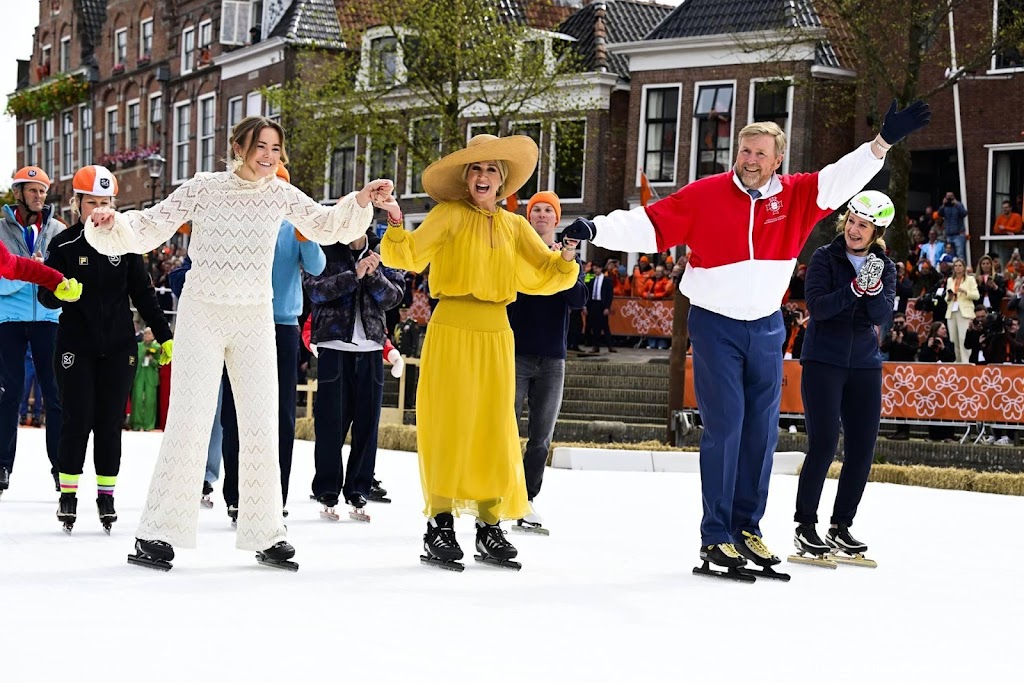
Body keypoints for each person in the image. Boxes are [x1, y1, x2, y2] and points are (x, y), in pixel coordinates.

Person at [563, 99, 931, 579]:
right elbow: (651, 225)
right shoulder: (706, 194)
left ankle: (746, 528)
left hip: (767, 326)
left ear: (778, 159)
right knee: (727, 426)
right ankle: (716, 536)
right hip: (716, 324)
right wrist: (595, 227)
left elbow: (841, 178)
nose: (750, 160)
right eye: (744, 151)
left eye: (760, 153)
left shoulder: (797, 196)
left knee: (762, 433)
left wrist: (881, 145)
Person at [84, 116, 389, 571]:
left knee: (262, 422)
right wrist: (112, 222)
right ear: (238, 146)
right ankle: (157, 533)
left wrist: (361, 199)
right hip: (202, 314)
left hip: (253, 318)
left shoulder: (281, 194)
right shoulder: (204, 187)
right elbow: (151, 225)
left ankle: (267, 532)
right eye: (260, 145)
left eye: (275, 148)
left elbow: (326, 225)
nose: (269, 155)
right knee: (190, 418)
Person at [378, 134, 580, 570]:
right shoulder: (448, 214)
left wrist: (565, 254)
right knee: (450, 424)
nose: (483, 175)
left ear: (503, 180)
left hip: (497, 331)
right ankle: (441, 524)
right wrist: (395, 219)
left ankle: (490, 525)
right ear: (466, 178)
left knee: (495, 427)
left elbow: (545, 274)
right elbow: (410, 255)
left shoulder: (515, 226)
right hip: (451, 326)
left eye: (491, 169)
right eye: (476, 169)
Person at [38, 165, 173, 533]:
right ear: (76, 204)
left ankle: (106, 496)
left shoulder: (126, 244)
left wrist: (165, 336)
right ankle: (68, 494)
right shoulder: (63, 244)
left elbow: (143, 295)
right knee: (76, 419)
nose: (99, 209)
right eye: (92, 202)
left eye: (106, 202)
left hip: (118, 346)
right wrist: (57, 291)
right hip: (75, 346)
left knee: (110, 423)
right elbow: (44, 294)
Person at [790, 191, 897, 568]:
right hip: (824, 360)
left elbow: (882, 315)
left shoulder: (885, 266)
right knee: (823, 443)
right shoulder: (824, 257)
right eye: (851, 220)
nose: (854, 229)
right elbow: (817, 307)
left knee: (863, 448)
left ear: (876, 231)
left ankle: (841, 525)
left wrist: (871, 293)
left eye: (862, 225)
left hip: (865, 364)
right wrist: (852, 290)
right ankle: (805, 524)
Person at [219, 164, 328, 522]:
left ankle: (274, 494)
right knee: (236, 411)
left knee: (281, 414)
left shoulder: (293, 228)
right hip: (242, 323)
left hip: (282, 327)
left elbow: (315, 266)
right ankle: (235, 494)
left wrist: (306, 235)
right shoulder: (240, 224)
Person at [306, 227, 404, 521]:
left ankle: (359, 487)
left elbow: (394, 297)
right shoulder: (324, 248)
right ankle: (326, 488)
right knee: (330, 423)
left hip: (372, 347)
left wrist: (373, 275)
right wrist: (354, 275)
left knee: (367, 423)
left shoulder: (385, 250)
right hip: (333, 345)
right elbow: (314, 289)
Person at [507, 191, 588, 535]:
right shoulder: (516, 254)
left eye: (547, 211)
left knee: (541, 436)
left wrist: (565, 262)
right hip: (516, 352)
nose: (541, 215)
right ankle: (499, 493)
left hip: (553, 356)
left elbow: (578, 299)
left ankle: (527, 498)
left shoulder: (568, 259)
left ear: (556, 220)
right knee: (505, 430)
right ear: (528, 217)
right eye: (535, 210)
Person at [0, 211, 81, 496]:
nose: (39, 196)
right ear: (18, 194)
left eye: (42, 190)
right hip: (8, 319)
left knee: (56, 395)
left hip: (49, 319)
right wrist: (30, 275)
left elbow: (65, 276)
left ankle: (62, 468)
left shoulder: (59, 229)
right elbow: (4, 279)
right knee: (8, 394)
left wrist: (50, 277)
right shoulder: (1, 230)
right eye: (32, 190)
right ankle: (1, 465)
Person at [944, 257, 978, 363]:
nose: (958, 268)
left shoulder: (970, 279)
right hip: (952, 310)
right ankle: (957, 361)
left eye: (960, 266)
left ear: (964, 268)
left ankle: (966, 362)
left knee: (964, 337)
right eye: (956, 266)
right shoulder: (950, 280)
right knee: (954, 339)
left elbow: (976, 295)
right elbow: (946, 298)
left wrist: (964, 291)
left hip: (965, 311)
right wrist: (949, 296)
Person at [586, 262, 615, 353]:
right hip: (593, 304)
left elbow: (609, 295)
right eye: (594, 268)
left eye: (597, 268)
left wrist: (607, 307)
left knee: (605, 326)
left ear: (601, 268)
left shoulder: (607, 280)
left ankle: (610, 345)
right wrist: (587, 306)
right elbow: (589, 294)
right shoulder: (592, 280)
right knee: (595, 327)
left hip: (602, 305)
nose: (595, 270)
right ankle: (595, 346)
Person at [938, 191, 968, 260]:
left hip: (958, 234)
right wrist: (943, 204)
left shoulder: (958, 205)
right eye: (947, 197)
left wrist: (956, 204)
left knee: (960, 254)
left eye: (950, 197)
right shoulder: (945, 207)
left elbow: (964, 213)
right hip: (949, 234)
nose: (949, 199)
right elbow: (939, 214)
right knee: (950, 255)